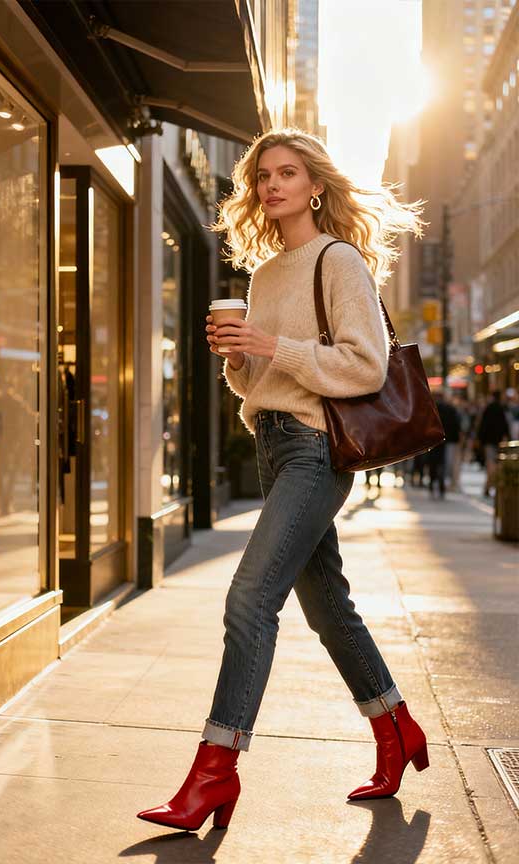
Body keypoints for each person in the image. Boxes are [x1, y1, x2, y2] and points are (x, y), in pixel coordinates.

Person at [137, 128, 429, 832]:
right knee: (327, 605)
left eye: (288, 173)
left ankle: (215, 769)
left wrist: (272, 344)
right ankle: (397, 728)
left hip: (314, 449)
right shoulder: (264, 275)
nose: (272, 185)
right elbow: (261, 379)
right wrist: (239, 358)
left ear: (315, 186)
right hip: (273, 444)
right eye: (263, 174)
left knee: (249, 599)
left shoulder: (339, 260)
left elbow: (364, 364)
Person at [476, 390, 510, 497]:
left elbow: (483, 425)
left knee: (491, 465)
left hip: (489, 442)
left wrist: (480, 439)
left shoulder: (489, 408)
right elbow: (505, 426)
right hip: (498, 441)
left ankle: (488, 486)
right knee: (495, 465)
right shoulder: (501, 409)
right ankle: (490, 486)